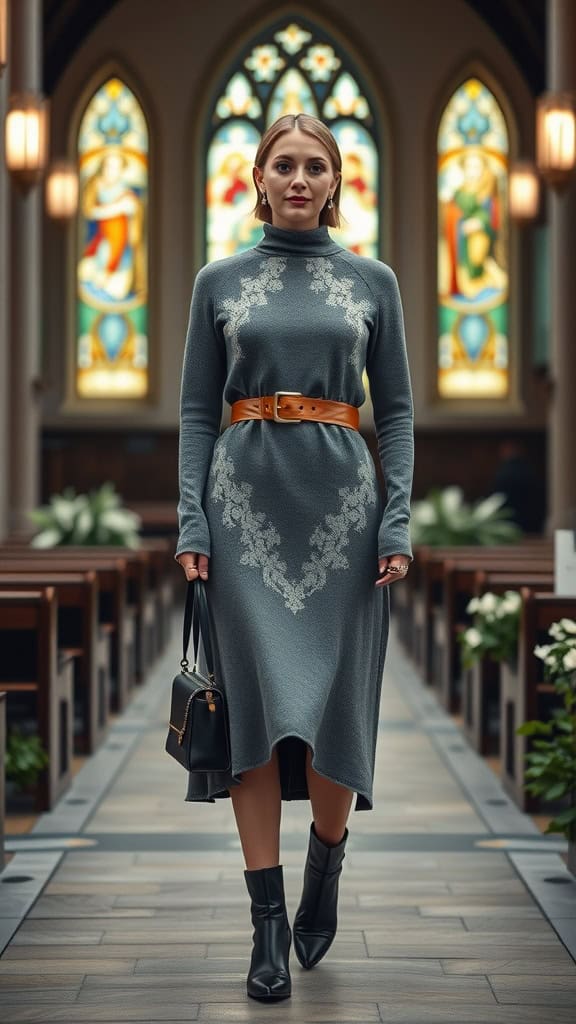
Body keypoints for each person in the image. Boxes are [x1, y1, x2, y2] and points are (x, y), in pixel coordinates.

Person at [174, 112, 414, 1003]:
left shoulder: (373, 282)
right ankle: (266, 924)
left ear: (337, 180)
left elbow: (394, 413)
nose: (301, 179)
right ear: (258, 177)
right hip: (241, 514)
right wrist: (192, 524)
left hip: (346, 517)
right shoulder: (218, 281)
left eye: (317, 166)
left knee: (333, 709)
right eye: (286, 165)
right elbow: (199, 412)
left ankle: (328, 863)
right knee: (257, 718)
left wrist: (395, 524)